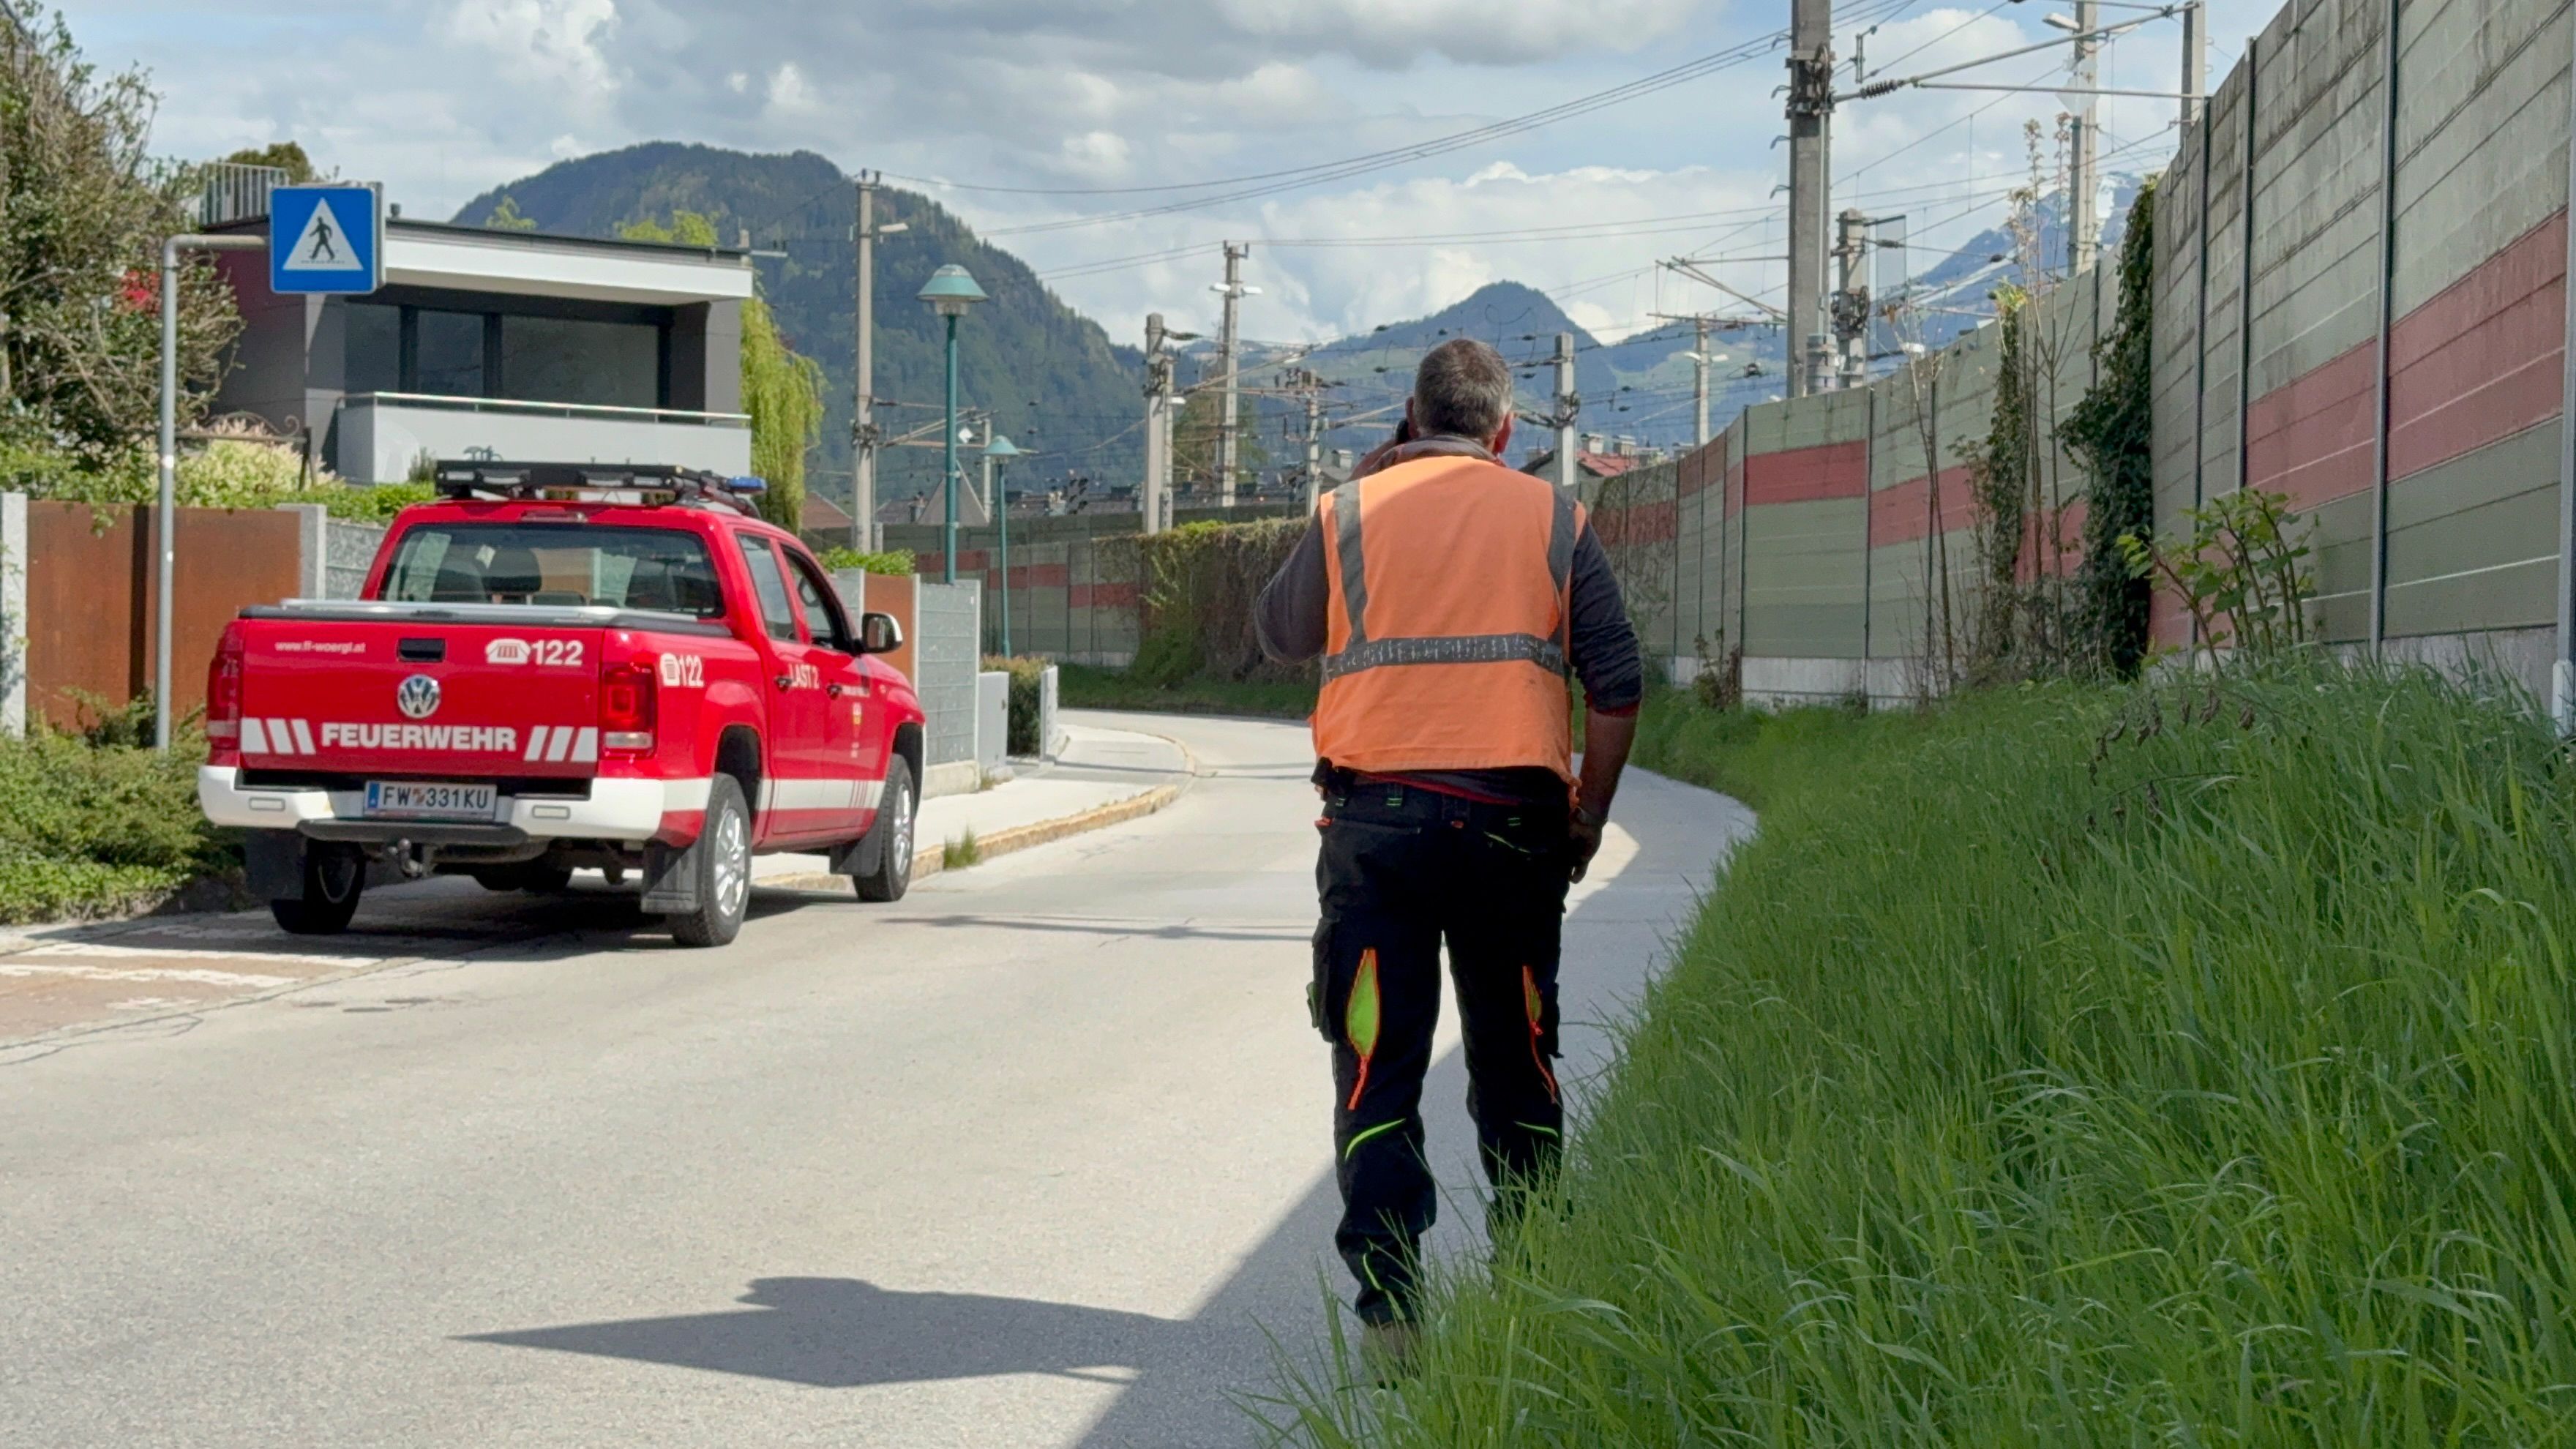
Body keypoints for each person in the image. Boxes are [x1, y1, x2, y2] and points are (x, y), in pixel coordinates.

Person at [1254, 337, 1642, 1368]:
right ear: (1505, 432)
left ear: (1410, 418)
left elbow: (1281, 632)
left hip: (1375, 832)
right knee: (1517, 1065)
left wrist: (1355, 491)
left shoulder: (1347, 514)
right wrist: (1587, 817)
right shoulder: (1558, 518)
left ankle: (1394, 1313)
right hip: (1515, 834)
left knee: (1378, 1066)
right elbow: (1617, 683)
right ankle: (1533, 1296)